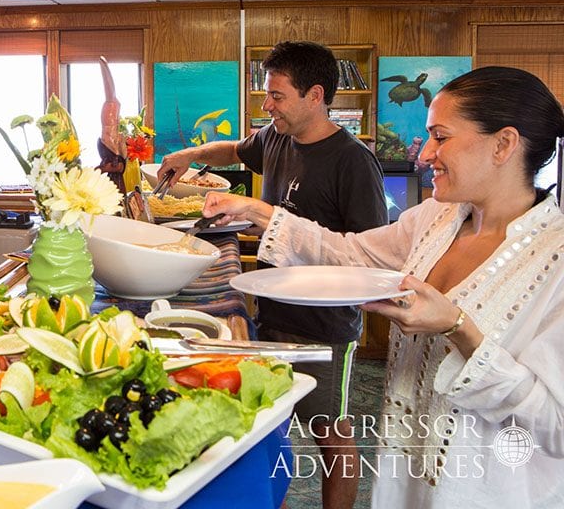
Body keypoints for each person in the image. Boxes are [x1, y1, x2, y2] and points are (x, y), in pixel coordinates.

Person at [201, 66, 564, 508]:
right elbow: (350, 254)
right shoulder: (436, 219)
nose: (425, 153)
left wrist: (458, 326)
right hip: (404, 481)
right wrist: (259, 213)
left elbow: (555, 425)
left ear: (503, 144)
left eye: (441, 137)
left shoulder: (554, 258)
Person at [158, 40, 388, 508]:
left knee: (332, 438)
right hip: (272, 315)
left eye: (278, 96)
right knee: (271, 432)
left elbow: (370, 259)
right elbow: (236, 150)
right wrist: (190, 154)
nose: (268, 106)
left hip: (324, 329)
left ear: (316, 95)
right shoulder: (277, 137)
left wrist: (263, 213)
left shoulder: (353, 162)